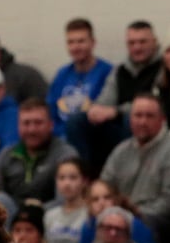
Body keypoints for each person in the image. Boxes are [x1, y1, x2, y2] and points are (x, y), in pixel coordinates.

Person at [99, 92, 170, 243]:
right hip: (127, 216)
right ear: (130, 119)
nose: (142, 121)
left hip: (169, 225)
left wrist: (135, 214)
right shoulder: (121, 151)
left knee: (143, 224)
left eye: (149, 116)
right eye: (138, 115)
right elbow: (105, 186)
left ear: (162, 120)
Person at [68, 20, 163, 172]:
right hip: (116, 127)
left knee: (133, 118)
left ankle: (128, 173)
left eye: (142, 42)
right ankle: (83, 176)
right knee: (76, 120)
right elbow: (105, 99)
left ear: (155, 42)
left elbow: (156, 106)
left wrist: (117, 111)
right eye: (132, 43)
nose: (137, 47)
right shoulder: (119, 70)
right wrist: (95, 110)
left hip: (147, 127)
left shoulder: (164, 68)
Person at [0, 98, 77, 204]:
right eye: (26, 123)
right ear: (18, 126)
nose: (32, 130)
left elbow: (66, 202)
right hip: (13, 216)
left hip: (49, 215)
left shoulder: (65, 155)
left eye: (38, 123)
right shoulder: (6, 155)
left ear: (51, 125)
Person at [48, 18, 114, 135]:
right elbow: (50, 112)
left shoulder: (108, 72)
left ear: (93, 43)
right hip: (60, 140)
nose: (76, 47)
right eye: (71, 42)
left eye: (81, 41)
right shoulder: (62, 74)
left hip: (91, 138)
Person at [43, 155, 89, 243]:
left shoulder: (90, 215)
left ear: (84, 181)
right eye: (61, 178)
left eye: (73, 178)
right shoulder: (49, 215)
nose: (66, 183)